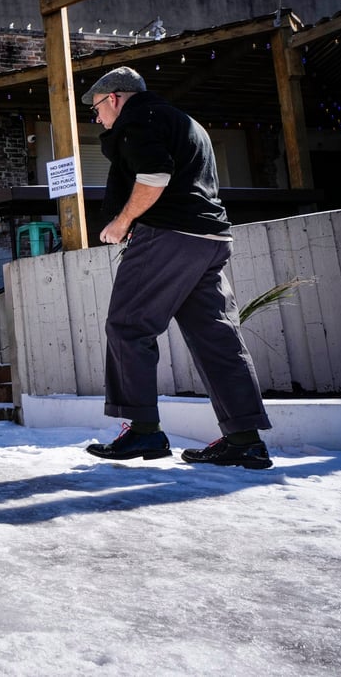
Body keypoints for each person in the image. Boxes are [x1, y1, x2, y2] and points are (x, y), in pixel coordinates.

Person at [80, 66, 273, 469]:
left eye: (97, 108)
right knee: (215, 337)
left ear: (114, 97)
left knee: (129, 325)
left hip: (169, 235)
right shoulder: (188, 124)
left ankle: (143, 431)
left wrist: (121, 222)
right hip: (211, 238)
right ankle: (244, 439)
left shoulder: (139, 118)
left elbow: (154, 174)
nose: (97, 118)